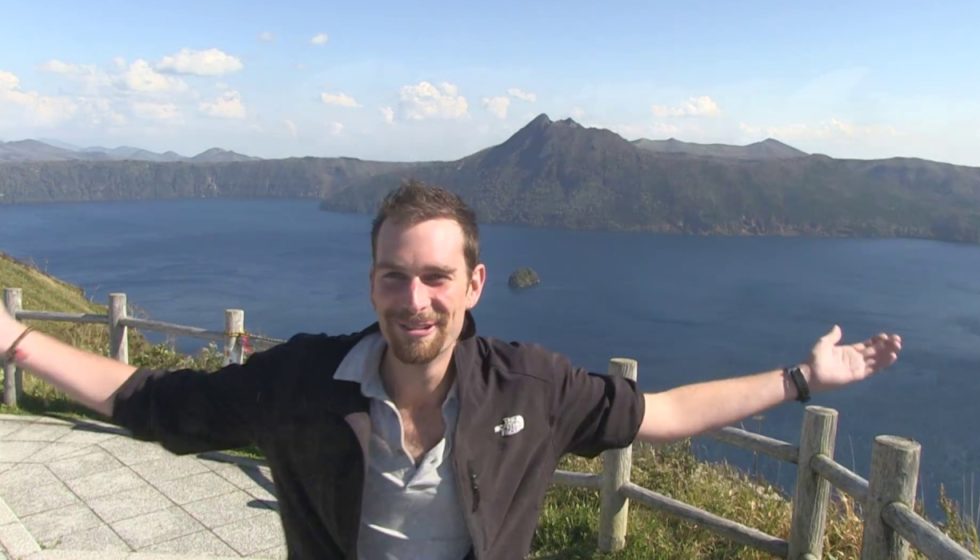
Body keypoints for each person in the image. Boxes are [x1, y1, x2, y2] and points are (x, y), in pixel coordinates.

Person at [0, 180, 902, 560]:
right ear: (372, 281)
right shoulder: (300, 383)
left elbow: (660, 413)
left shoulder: (532, 387)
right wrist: (18, 343)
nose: (414, 300)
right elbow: (156, 400)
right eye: (395, 276)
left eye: (436, 277)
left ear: (473, 284)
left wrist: (802, 378)